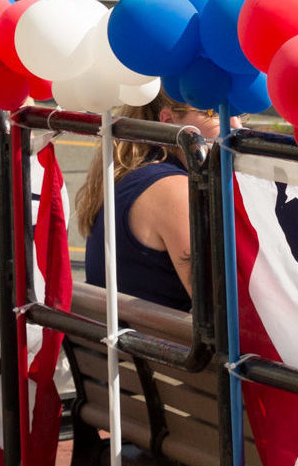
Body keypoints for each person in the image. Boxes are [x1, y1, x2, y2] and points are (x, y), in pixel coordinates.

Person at [76, 94, 218, 310]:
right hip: (166, 339)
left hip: (126, 336)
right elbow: (221, 309)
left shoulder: (136, 169)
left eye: (240, 113)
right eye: (212, 112)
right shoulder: (172, 189)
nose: (234, 125)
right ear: (169, 122)